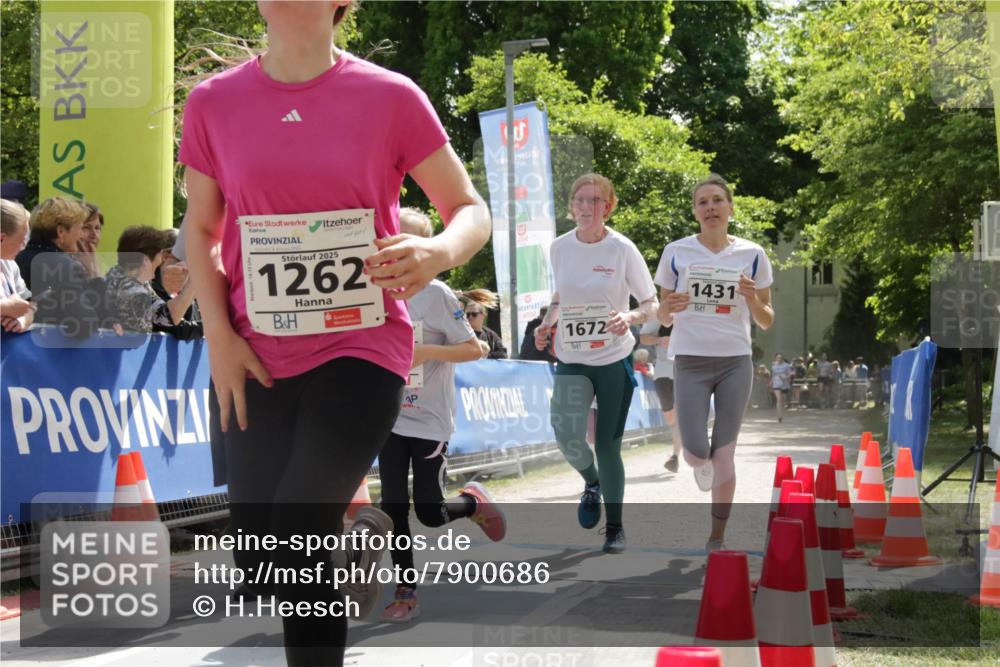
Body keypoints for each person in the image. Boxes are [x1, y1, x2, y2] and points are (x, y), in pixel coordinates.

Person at [179, 2, 490, 664]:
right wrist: (219, 339)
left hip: (362, 345)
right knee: (265, 562)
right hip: (252, 353)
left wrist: (437, 252)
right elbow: (199, 231)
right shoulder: (214, 103)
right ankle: (354, 542)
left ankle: (331, 539)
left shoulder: (390, 96)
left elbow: (468, 208)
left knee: (298, 529)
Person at [378, 208, 505, 623]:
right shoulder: (371, 287)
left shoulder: (436, 295)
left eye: (410, 240)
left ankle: (471, 502)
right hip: (389, 416)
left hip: (430, 418)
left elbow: (475, 349)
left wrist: (426, 351)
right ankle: (405, 591)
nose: (399, 247)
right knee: (393, 506)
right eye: (394, 236)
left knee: (430, 513)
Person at [534, 173, 658, 554]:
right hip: (572, 356)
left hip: (612, 357)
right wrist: (547, 323)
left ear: (609, 205)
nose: (586, 207)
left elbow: (651, 303)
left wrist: (630, 318)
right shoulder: (558, 247)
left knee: (607, 445)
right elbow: (562, 294)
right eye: (579, 200)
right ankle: (592, 483)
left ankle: (615, 528)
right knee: (567, 436)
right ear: (571, 206)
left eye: (594, 200)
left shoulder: (622, 249)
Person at [655, 173, 774, 552]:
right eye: (702, 202)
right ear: (694, 211)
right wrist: (668, 307)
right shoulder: (677, 251)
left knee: (725, 455)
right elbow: (662, 315)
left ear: (730, 208)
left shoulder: (752, 254)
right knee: (694, 453)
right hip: (690, 359)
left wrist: (753, 298)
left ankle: (716, 537)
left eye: (717, 201)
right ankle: (699, 462)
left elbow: (767, 319)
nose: (710, 207)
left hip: (735, 362)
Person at [16, 196, 106, 337]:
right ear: (61, 232)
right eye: (80, 228)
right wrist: (94, 275)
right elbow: (87, 324)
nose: (80, 236)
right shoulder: (65, 266)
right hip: (55, 354)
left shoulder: (16, 259)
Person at [104, 226, 196, 333]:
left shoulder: (134, 281)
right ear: (145, 260)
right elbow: (170, 316)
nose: (162, 259)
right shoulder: (128, 287)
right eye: (160, 254)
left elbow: (166, 309)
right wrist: (195, 278)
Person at [639, 321, 682, 471]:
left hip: (683, 373)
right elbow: (643, 338)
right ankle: (681, 439)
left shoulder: (689, 315)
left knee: (679, 419)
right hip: (663, 373)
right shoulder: (659, 317)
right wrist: (659, 340)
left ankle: (675, 457)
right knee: (670, 417)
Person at [1, 199, 35, 333]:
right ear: (1, 238)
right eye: (21, 241)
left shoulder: (10, 264)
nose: (24, 246)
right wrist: (6, 307)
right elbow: (14, 306)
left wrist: (23, 320)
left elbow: (30, 306)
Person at [462, 289, 507, 359]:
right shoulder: (462, 333)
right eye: (467, 314)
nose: (470, 317)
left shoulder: (491, 335)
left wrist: (485, 356)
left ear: (483, 315)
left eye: (474, 314)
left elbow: (503, 354)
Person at [75, 204, 103, 279]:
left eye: (97, 228)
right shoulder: (63, 264)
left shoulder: (98, 263)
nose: (94, 235)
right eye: (86, 227)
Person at [771, 353, 791, 422]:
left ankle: (781, 412)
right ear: (775, 358)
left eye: (780, 358)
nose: (779, 359)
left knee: (783, 400)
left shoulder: (786, 365)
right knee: (778, 399)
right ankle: (779, 415)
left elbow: (790, 374)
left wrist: (785, 377)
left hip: (784, 384)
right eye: (777, 358)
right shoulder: (774, 365)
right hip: (776, 384)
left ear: (782, 359)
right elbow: (773, 375)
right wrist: (771, 383)